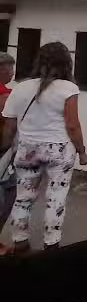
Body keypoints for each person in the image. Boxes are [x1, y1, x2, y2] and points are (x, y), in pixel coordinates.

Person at [0, 42, 87, 254]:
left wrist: (5, 149)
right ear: (66, 63)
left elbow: (10, 126)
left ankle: (20, 242)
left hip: (27, 149)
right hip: (58, 150)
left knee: (23, 197)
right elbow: (72, 124)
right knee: (55, 197)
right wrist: (82, 151)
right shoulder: (68, 88)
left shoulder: (21, 88)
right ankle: (51, 245)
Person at [0, 52, 15, 256]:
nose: (13, 72)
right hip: (2, 152)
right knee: (7, 193)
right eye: (10, 68)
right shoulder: (5, 95)